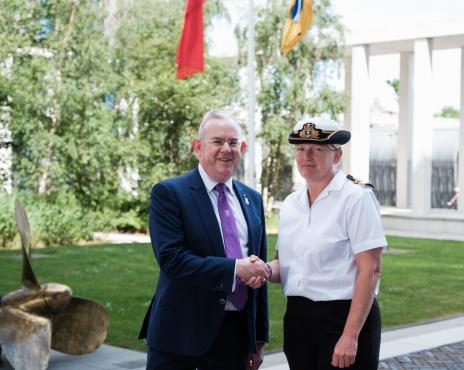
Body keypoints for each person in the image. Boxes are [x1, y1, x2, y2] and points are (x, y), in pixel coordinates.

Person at [139, 110, 270, 370]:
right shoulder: (170, 192)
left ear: (242, 148)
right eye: (217, 141)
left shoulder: (252, 199)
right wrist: (236, 269)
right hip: (181, 335)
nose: (226, 149)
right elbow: (172, 260)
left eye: (233, 142)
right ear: (198, 147)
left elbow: (258, 268)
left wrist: (257, 337)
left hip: (234, 339)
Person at [268, 117, 387, 370]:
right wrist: (263, 269)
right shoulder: (291, 203)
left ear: (336, 155)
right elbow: (285, 264)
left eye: (316, 149)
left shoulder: (356, 198)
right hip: (298, 320)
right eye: (300, 149)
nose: (306, 156)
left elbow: (371, 270)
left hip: (343, 318)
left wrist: (350, 336)